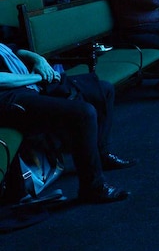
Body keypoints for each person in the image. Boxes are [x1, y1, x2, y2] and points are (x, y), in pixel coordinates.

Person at [0, 41, 134, 203]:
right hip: (8, 98)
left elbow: (15, 49)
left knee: (104, 89)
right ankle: (93, 188)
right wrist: (38, 77)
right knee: (83, 113)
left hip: (27, 82)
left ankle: (102, 154)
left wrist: (39, 60)